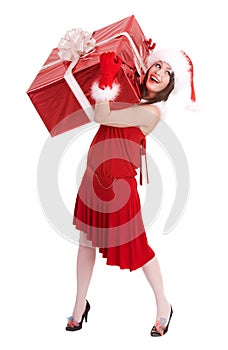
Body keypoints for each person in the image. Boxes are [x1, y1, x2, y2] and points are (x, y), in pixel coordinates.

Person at [65, 49, 197, 336]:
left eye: (167, 72)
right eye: (157, 65)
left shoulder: (151, 112)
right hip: (92, 179)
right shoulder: (130, 95)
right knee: (86, 241)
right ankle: (79, 306)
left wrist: (107, 77)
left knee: (137, 247)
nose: (159, 72)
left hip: (118, 189)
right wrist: (111, 72)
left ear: (169, 86)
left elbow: (103, 115)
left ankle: (164, 305)